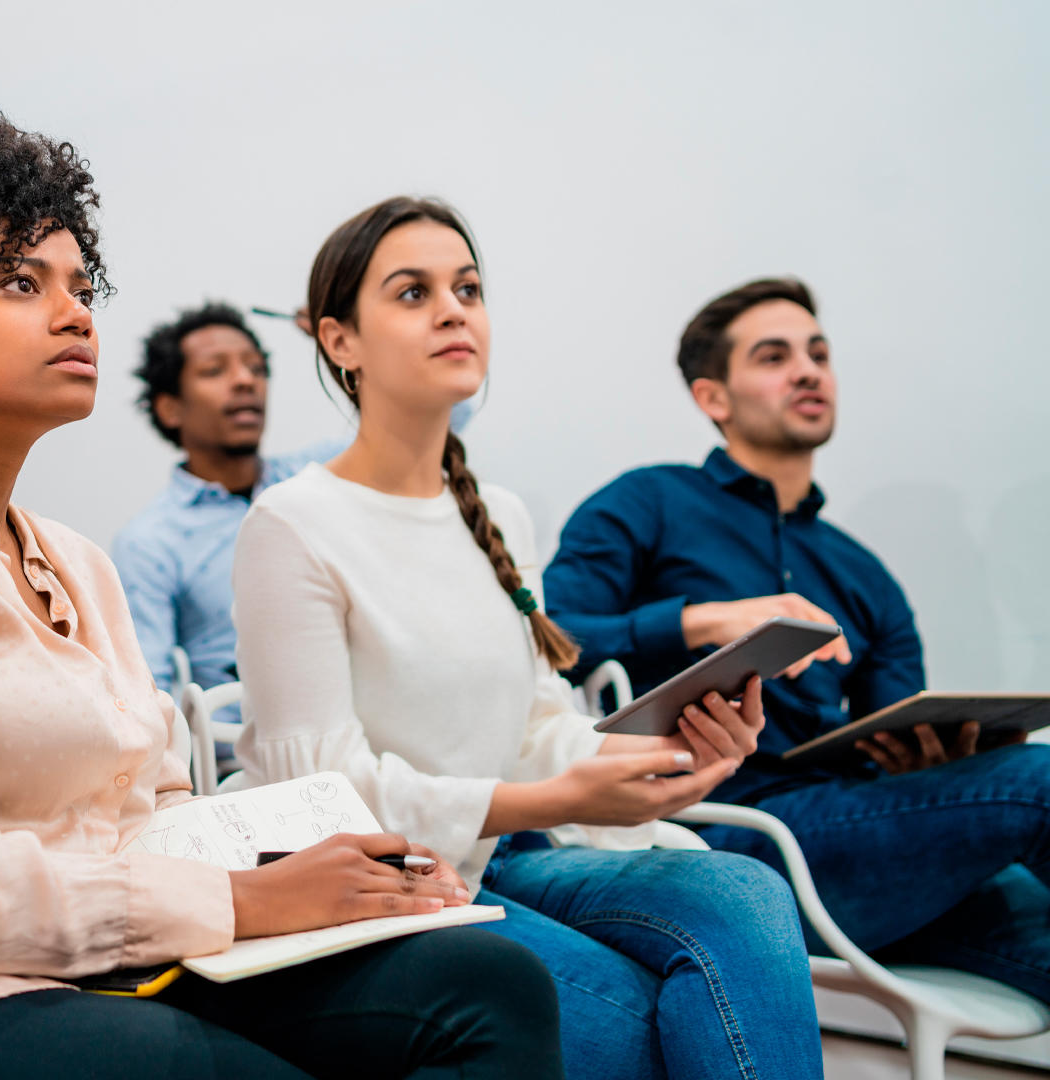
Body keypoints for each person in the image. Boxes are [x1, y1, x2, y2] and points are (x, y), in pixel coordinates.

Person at [0, 111, 562, 1080]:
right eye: (19, 282)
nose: (75, 312)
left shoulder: (77, 563)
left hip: (112, 969)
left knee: (492, 987)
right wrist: (248, 905)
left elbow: (157, 802)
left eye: (80, 286)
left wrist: (320, 867)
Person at [231, 197, 823, 1079]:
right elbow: (324, 795)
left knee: (746, 891)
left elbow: (538, 726)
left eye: (467, 287)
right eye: (412, 292)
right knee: (638, 1027)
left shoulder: (496, 515)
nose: (452, 309)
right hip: (386, 890)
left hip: (499, 857)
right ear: (339, 341)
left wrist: (659, 755)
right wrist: (559, 802)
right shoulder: (292, 525)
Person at [544, 277, 1050, 1002]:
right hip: (712, 835)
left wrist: (936, 755)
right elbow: (549, 639)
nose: (809, 370)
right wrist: (705, 620)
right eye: (775, 356)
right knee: (1040, 783)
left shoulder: (862, 574)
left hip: (861, 842)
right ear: (713, 397)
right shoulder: (647, 501)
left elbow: (893, 732)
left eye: (818, 353)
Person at [111, 303, 340, 705]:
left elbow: (436, 419)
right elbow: (150, 698)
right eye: (215, 370)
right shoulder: (148, 543)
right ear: (170, 408)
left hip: (359, 740)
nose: (244, 380)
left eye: (255, 367)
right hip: (236, 760)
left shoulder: (315, 477)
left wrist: (344, 343)